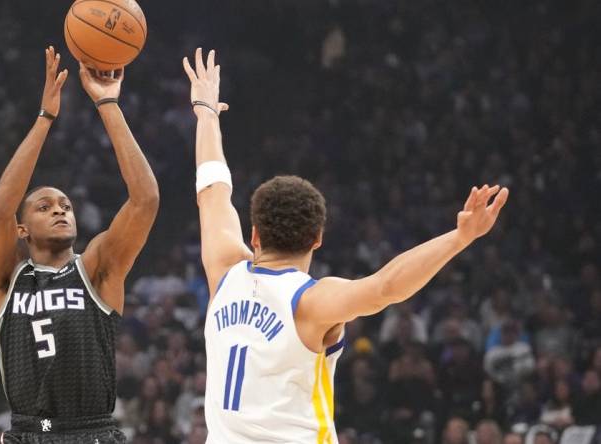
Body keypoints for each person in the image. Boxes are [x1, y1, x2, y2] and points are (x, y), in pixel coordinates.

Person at [182, 47, 509, 443]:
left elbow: (213, 190)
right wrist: (460, 237)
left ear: (253, 234)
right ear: (317, 239)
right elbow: (387, 286)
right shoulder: (311, 302)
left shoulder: (224, 271)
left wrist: (206, 113)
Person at [0, 47, 158, 443]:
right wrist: (45, 118)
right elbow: (0, 211)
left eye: (66, 205)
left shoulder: (95, 267)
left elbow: (145, 199)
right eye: (45, 207)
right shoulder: (7, 278)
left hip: (92, 431)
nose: (61, 211)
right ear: (22, 230)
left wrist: (108, 104)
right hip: (28, 431)